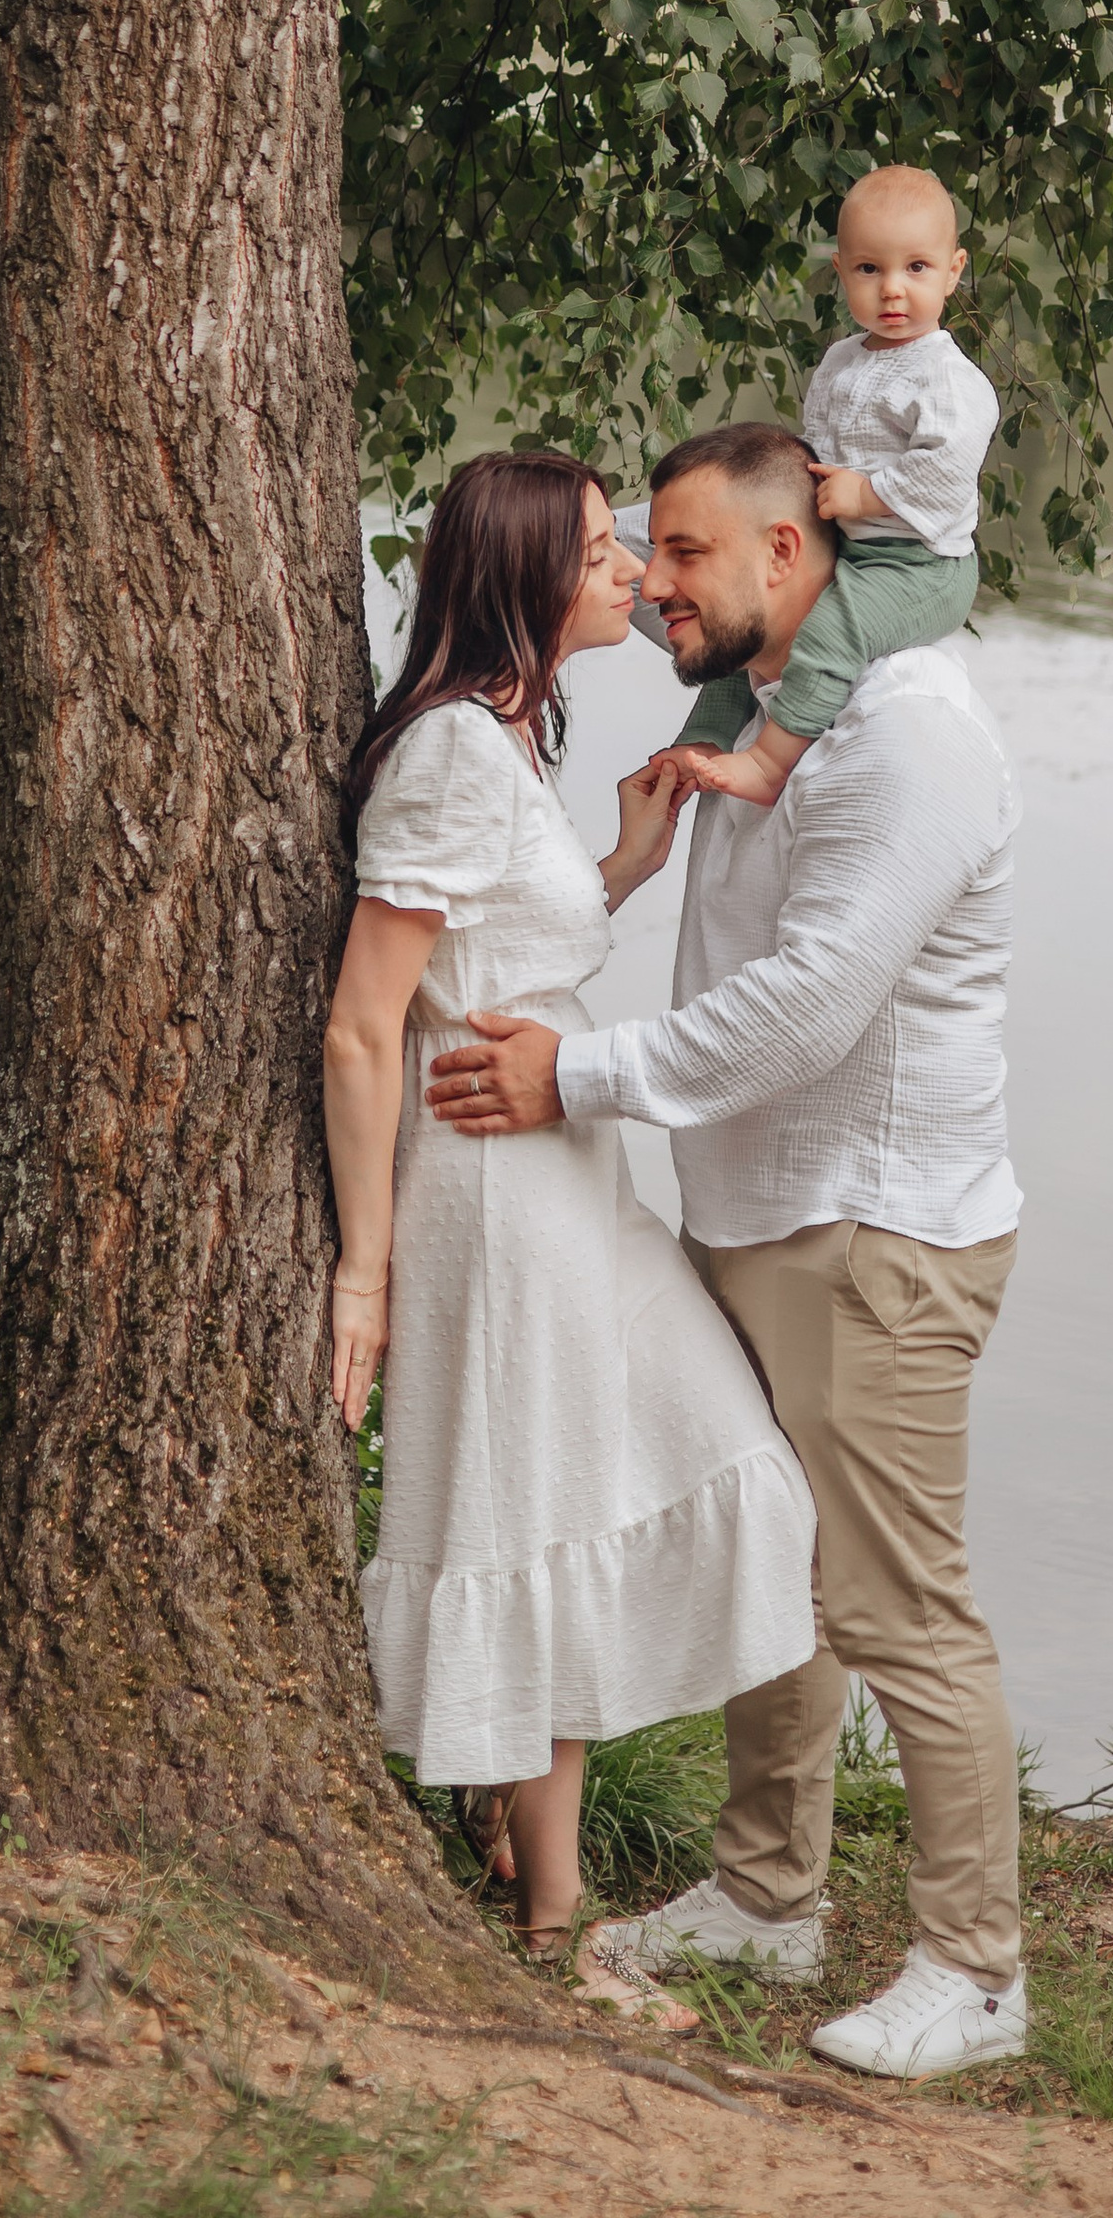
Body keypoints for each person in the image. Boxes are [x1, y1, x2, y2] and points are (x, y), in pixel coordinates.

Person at [427, 422, 1027, 2083]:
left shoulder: (913, 734)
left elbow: (816, 1008)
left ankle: (978, 1970)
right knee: (783, 1564)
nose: (657, 584)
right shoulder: (771, 714)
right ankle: (769, 1896)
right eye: (652, 553)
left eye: (686, 553)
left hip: (879, 1228)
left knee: (899, 1604)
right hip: (764, 1217)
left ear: (790, 554)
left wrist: (578, 1075)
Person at [326, 450, 819, 2008]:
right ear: (530, 573)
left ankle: (508, 1814)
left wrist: (623, 863)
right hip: (496, 1193)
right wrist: (363, 1270)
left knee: (714, 1459)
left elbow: (504, 959)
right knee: (543, 1517)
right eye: (605, 551)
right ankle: (552, 1923)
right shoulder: (454, 756)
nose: (634, 575)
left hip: (569, 1171)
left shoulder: (505, 742)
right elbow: (364, 1028)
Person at [673, 166, 997, 812]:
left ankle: (770, 762)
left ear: (954, 271)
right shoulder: (842, 361)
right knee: (753, 617)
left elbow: (947, 470)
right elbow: (814, 456)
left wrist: (867, 496)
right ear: (842, 270)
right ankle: (707, 735)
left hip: (918, 563)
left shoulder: (947, 379)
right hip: (847, 543)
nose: (893, 291)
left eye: (917, 269)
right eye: (870, 270)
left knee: (827, 632)